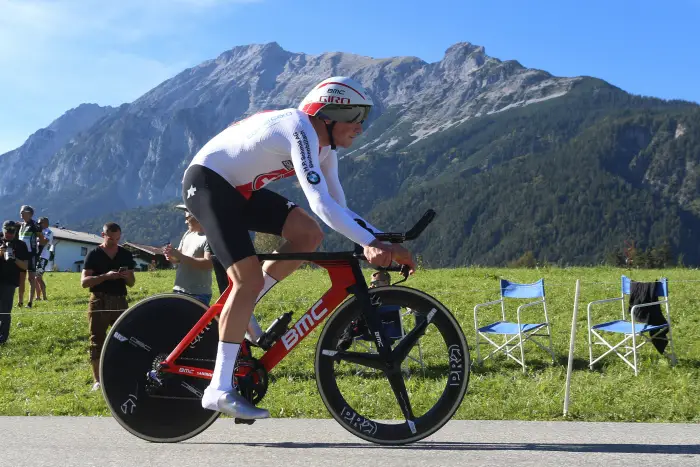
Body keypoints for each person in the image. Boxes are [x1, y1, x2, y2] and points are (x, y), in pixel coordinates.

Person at [182, 76, 415, 420]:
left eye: (364, 117)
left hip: (238, 190)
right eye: (355, 116)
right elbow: (320, 203)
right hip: (206, 183)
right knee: (246, 279)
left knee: (308, 234)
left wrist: (383, 241)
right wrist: (372, 242)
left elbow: (339, 207)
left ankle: (245, 304)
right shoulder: (300, 127)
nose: (360, 127)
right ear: (328, 114)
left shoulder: (325, 150)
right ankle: (218, 388)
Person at [80, 222, 135, 391]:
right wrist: (105, 276)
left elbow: (132, 283)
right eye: (111, 239)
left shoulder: (125, 254)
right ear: (103, 235)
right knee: (96, 340)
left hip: (120, 300)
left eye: (118, 239)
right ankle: (97, 380)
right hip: (99, 300)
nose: (115, 242)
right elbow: (84, 282)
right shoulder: (94, 254)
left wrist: (126, 276)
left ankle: (122, 374)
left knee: (124, 338)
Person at [164, 205, 214, 306]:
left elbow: (208, 264)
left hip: (198, 294)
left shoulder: (209, 238)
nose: (185, 222)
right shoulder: (188, 234)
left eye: (187, 218)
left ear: (197, 216)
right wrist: (172, 257)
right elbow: (179, 258)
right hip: (179, 290)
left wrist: (180, 256)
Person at [0, 221, 30, 344]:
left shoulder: (21, 245)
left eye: (12, 232)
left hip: (9, 281)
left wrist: (14, 258)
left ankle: (2, 338)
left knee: (5, 311)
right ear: (3, 230)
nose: (9, 235)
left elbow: (25, 266)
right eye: (7, 232)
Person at [17, 205, 43, 308]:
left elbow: (42, 239)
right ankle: (20, 302)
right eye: (20, 211)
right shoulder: (21, 225)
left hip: (31, 255)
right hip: (21, 255)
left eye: (23, 211)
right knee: (21, 278)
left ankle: (30, 303)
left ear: (29, 214)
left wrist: (38, 251)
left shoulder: (35, 225)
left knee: (31, 278)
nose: (21, 213)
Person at [34, 217, 54, 301]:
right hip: (37, 256)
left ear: (46, 223)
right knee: (35, 277)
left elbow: (44, 241)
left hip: (43, 257)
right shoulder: (39, 231)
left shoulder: (49, 232)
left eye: (40, 223)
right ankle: (38, 297)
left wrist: (38, 237)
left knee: (38, 277)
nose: (38, 225)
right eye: (38, 223)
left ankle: (44, 297)